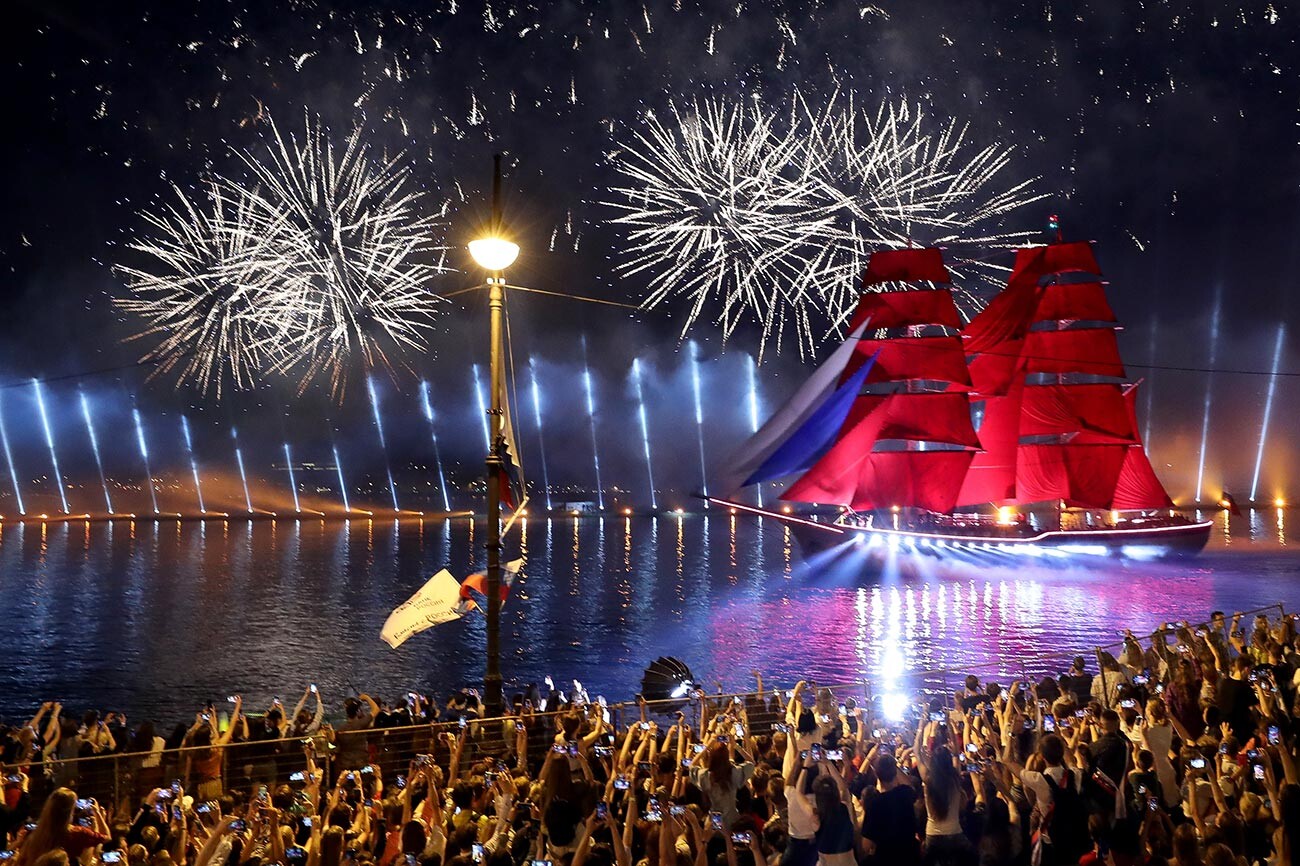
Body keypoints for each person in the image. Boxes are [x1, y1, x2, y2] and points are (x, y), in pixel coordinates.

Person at [859, 752, 919, 866]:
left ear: (876, 774)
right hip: (910, 856)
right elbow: (909, 785)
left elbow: (866, 845)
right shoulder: (904, 793)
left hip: (886, 858)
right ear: (895, 772)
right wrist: (893, 765)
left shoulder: (874, 804)